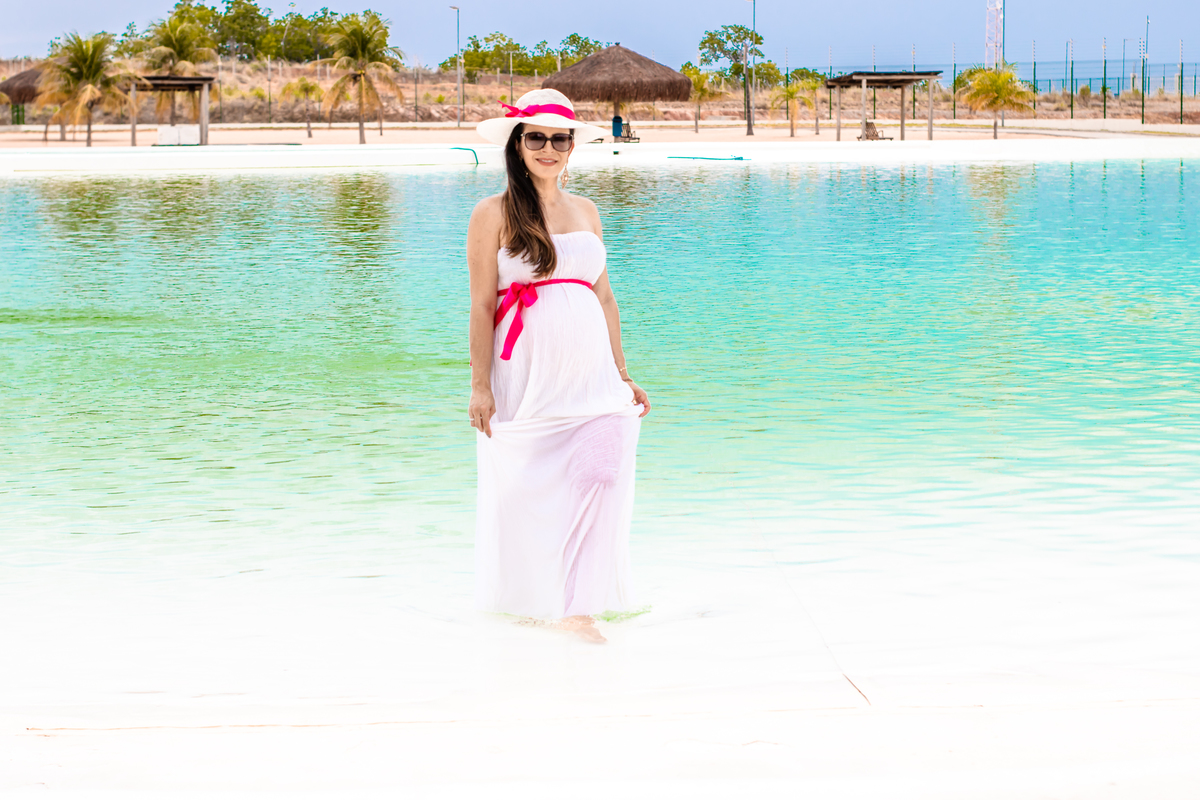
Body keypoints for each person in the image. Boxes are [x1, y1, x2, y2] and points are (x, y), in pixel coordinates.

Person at [467, 89, 650, 643]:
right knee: (525, 490)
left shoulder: (587, 211)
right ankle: (539, 600)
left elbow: (606, 298)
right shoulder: (493, 212)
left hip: (594, 381)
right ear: (518, 144)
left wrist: (622, 374)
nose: (548, 147)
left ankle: (579, 609)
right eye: (537, 137)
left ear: (573, 146)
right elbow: (481, 304)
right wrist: (479, 387)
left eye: (559, 138)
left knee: (601, 475)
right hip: (525, 377)